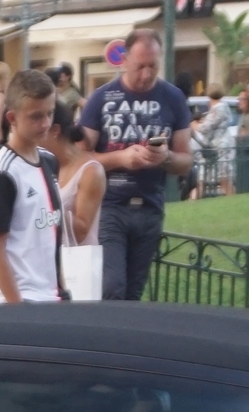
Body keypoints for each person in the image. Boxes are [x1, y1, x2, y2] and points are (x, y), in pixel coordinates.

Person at [79, 27, 192, 302]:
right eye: (140, 66)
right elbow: (78, 158)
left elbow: (185, 160)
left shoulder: (173, 98)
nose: (146, 74)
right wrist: (119, 158)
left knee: (133, 291)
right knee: (112, 286)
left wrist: (164, 157)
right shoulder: (103, 98)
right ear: (125, 59)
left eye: (153, 66)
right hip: (110, 206)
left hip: (151, 206)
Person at [0, 69, 66, 304]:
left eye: (50, 114)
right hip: (20, 298)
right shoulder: (5, 172)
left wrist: (62, 288)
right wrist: (17, 307)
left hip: (49, 296)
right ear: (12, 118)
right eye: (35, 116)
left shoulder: (48, 160)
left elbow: (50, 238)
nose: (45, 124)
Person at [44, 109, 104, 246]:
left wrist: (42, 206)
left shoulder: (90, 171)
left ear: (55, 130)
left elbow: (81, 232)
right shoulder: (44, 164)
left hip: (76, 261)